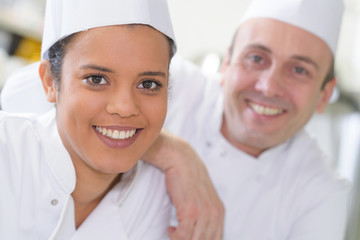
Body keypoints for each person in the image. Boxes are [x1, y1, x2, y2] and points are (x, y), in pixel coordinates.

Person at [0, 0, 351, 239]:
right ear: (226, 64)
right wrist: (171, 152)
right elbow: (20, 93)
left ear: (325, 94)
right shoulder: (172, 81)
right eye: (256, 58)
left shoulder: (324, 192)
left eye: (299, 70)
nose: (268, 86)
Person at [0, 0, 225, 239]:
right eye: (96, 79)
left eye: (148, 84)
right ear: (49, 81)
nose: (125, 107)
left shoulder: (161, 200)